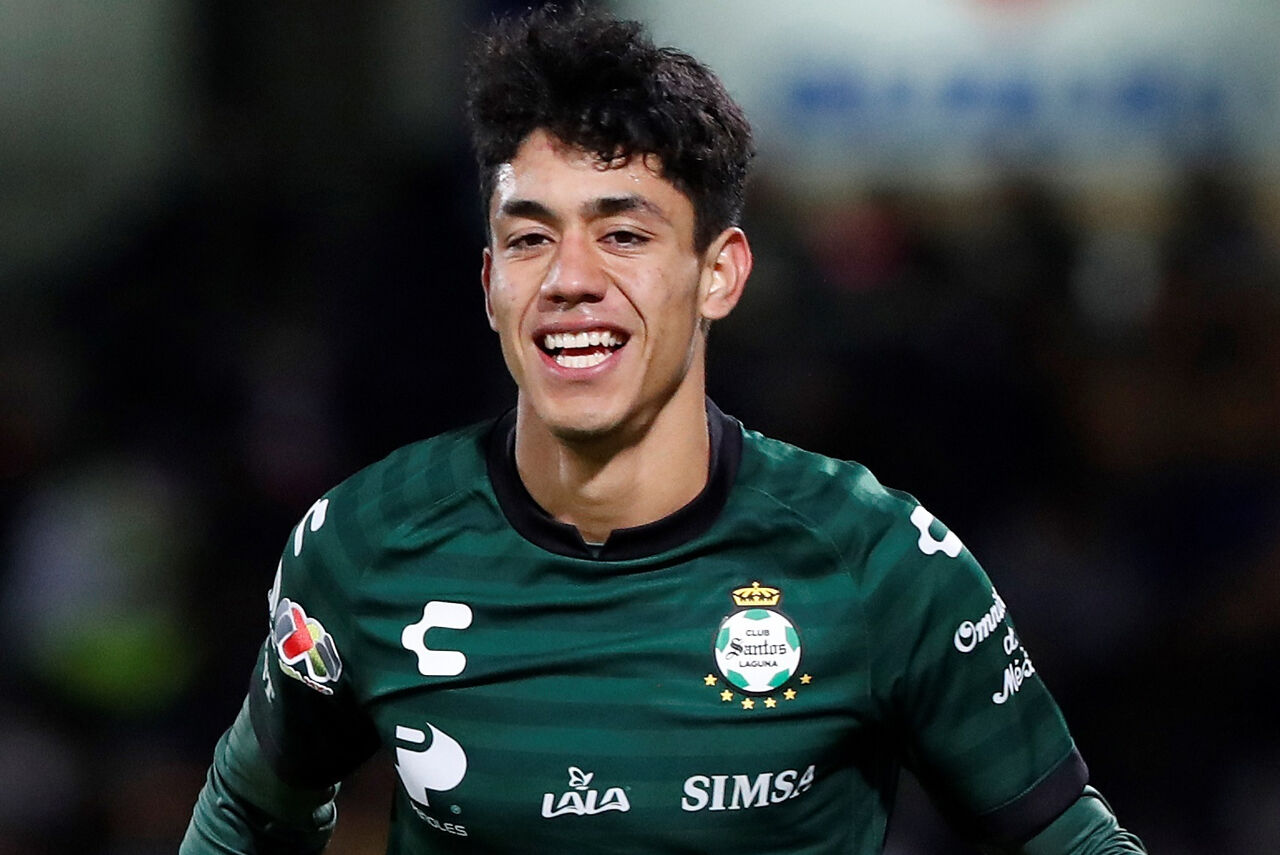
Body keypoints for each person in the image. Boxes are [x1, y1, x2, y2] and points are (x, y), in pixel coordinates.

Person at [182, 6, 1146, 853]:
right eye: (530, 237)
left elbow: (1067, 836)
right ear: (489, 283)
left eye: (624, 234)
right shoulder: (363, 543)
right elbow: (249, 811)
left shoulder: (877, 560)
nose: (570, 279)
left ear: (719, 273)